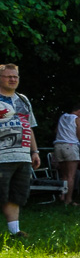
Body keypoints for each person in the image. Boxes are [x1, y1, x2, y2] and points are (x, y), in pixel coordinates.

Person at [0, 63, 40, 238]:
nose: (13, 79)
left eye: (15, 76)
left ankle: (14, 231)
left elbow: (29, 127)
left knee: (16, 195)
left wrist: (35, 151)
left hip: (22, 156)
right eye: (8, 76)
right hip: (1, 156)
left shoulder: (23, 99)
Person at [53, 104, 80, 205]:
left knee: (64, 175)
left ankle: (62, 196)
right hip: (70, 146)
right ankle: (69, 200)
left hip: (58, 146)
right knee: (71, 176)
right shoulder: (77, 119)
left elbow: (56, 131)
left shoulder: (62, 116)